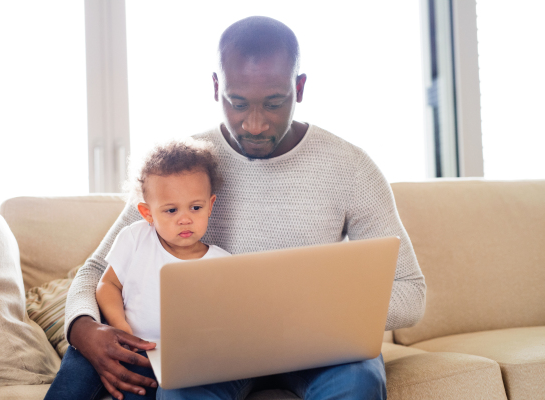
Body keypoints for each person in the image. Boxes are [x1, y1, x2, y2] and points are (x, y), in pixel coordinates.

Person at [63, 16, 426, 400]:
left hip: (318, 348)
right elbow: (97, 271)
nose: (254, 125)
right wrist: (83, 327)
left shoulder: (350, 167)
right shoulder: (185, 167)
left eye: (273, 103)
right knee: (178, 390)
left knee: (360, 382)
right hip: (214, 348)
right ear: (216, 87)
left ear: (299, 88)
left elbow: (410, 292)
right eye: (237, 104)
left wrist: (314, 313)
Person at [45, 139, 230, 400]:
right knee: (78, 364)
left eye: (196, 207)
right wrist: (120, 326)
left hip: (167, 360)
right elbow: (108, 285)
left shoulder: (222, 263)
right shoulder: (135, 237)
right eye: (171, 210)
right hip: (121, 342)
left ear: (211, 205)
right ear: (147, 213)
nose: (185, 218)